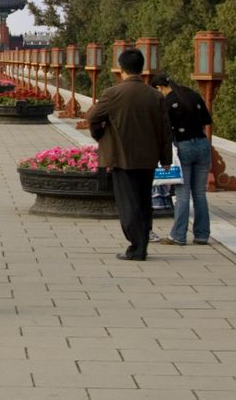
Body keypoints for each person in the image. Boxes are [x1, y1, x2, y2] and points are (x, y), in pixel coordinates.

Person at [86, 49, 171, 261]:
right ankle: (141, 245)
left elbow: (92, 117)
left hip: (121, 158)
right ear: (141, 68)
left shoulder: (113, 93)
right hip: (148, 158)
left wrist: (99, 134)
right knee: (143, 202)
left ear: (121, 69)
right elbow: (165, 129)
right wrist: (166, 158)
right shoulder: (155, 95)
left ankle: (137, 247)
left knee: (128, 204)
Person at [150, 74, 213, 246]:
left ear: (159, 88)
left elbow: (164, 131)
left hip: (183, 147)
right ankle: (201, 235)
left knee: (182, 194)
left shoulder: (167, 102)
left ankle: (178, 235)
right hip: (202, 145)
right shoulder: (191, 94)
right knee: (199, 193)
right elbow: (207, 120)